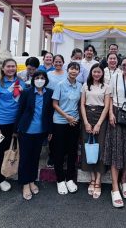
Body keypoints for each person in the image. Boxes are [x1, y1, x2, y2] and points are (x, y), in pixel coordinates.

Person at [103, 56, 126, 208]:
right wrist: (111, 114)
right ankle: (114, 187)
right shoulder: (115, 78)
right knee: (116, 149)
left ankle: (124, 180)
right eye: (124, 64)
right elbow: (110, 98)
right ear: (120, 66)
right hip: (117, 113)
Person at [0, 58, 26, 198]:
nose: (10, 69)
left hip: (14, 125)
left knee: (7, 152)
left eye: (13, 66)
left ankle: (0, 178)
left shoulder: (21, 83)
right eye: (8, 66)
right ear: (3, 68)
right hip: (0, 124)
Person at [15, 70, 54, 200]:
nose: (40, 80)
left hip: (40, 131)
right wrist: (16, 129)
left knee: (35, 157)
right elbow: (20, 110)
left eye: (42, 78)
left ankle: (32, 180)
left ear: (46, 80)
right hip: (26, 130)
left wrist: (50, 130)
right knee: (25, 158)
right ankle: (25, 184)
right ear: (33, 79)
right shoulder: (27, 92)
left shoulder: (49, 93)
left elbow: (49, 113)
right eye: (37, 77)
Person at [51, 62, 82, 195]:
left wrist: (74, 118)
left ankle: (69, 178)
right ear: (67, 70)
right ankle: (60, 179)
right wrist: (66, 117)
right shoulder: (60, 85)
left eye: (76, 69)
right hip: (60, 122)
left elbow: (79, 104)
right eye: (72, 69)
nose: (74, 71)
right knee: (59, 151)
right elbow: (55, 104)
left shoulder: (80, 85)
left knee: (72, 151)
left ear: (79, 72)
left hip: (74, 122)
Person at [80, 63, 110, 199]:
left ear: (102, 74)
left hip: (100, 118)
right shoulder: (86, 86)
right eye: (94, 72)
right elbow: (82, 104)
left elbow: (106, 107)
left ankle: (98, 181)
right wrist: (86, 122)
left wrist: (98, 124)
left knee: (100, 148)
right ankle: (92, 179)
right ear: (91, 73)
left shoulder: (106, 87)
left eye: (99, 72)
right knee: (88, 147)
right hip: (87, 116)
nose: (96, 74)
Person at [46, 54, 68, 167]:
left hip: (64, 105)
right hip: (51, 105)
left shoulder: (67, 74)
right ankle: (52, 156)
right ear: (53, 63)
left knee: (63, 133)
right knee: (52, 132)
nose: (58, 63)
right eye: (56, 61)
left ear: (63, 63)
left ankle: (63, 155)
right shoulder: (48, 74)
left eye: (60, 62)